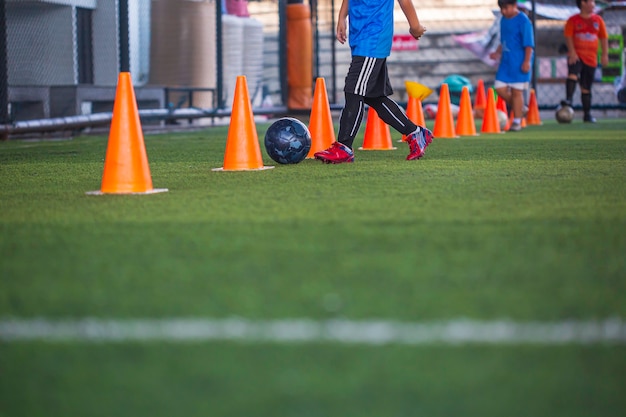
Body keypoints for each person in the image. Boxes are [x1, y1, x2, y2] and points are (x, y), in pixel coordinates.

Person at [314, 0, 433, 164]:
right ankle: (416, 133)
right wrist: (341, 18)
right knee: (373, 96)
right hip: (360, 37)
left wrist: (415, 26)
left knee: (354, 90)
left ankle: (343, 147)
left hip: (373, 37)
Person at [489, 0, 534, 132]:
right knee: (499, 87)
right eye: (502, 8)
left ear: (515, 6)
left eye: (506, 8)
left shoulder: (524, 21)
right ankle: (520, 109)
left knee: (516, 92)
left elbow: (529, 45)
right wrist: (497, 53)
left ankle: (517, 121)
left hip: (519, 62)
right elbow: (504, 40)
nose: (503, 11)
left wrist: (526, 62)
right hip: (506, 62)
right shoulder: (503, 20)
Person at [563, 0, 609, 123]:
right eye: (591, 1)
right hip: (577, 56)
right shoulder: (573, 20)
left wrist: (604, 54)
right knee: (573, 74)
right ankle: (568, 100)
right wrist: (572, 52)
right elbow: (568, 36)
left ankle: (587, 114)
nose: (593, 4)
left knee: (586, 87)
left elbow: (603, 38)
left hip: (591, 58)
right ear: (583, 3)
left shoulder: (598, 20)